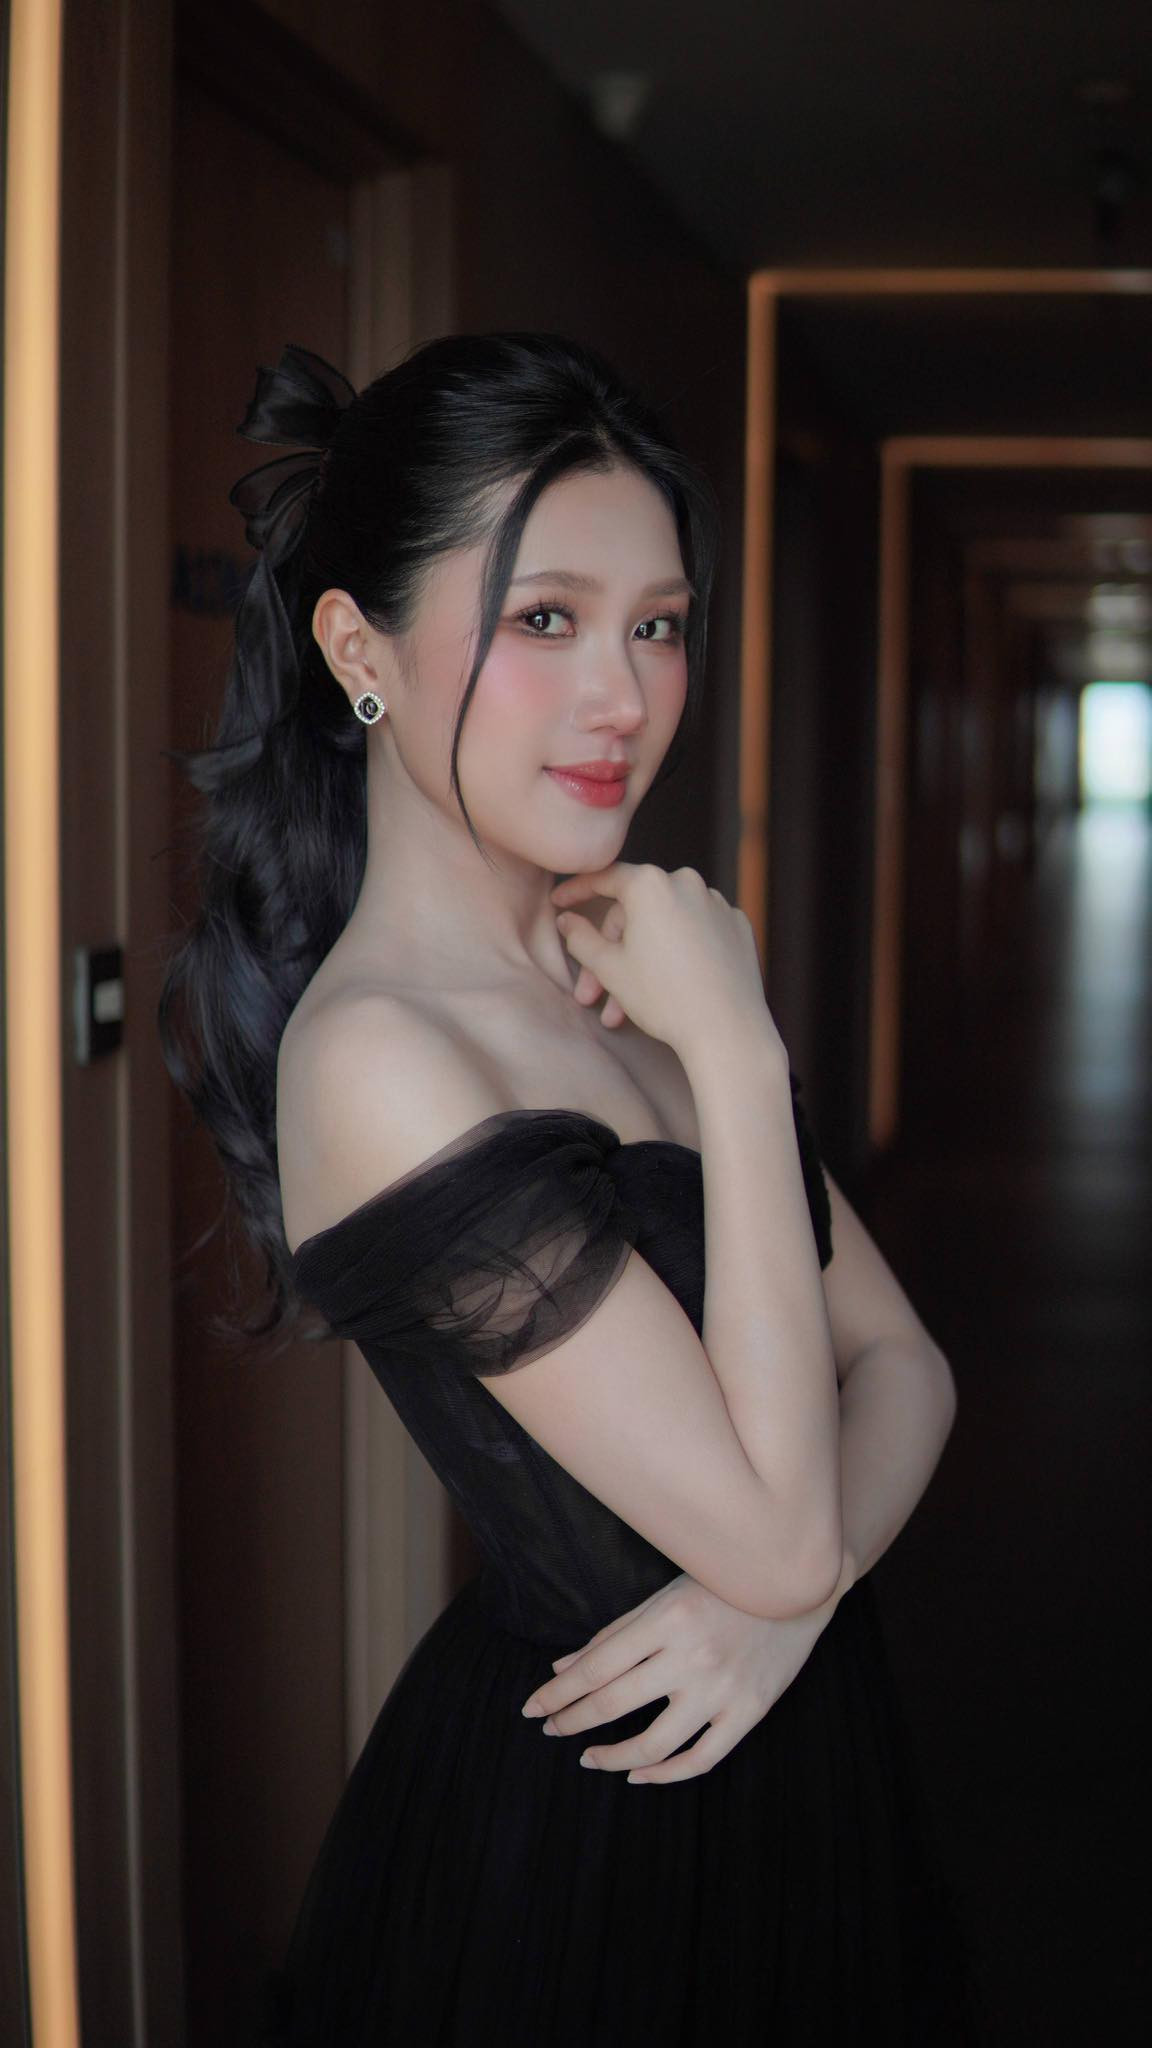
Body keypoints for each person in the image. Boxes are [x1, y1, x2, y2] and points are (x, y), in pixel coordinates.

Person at [159, 335, 988, 2042]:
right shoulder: (382, 1056)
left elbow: (907, 1364)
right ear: (357, 650)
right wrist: (736, 1052)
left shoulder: (627, 964)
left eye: (658, 626)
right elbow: (778, 1532)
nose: (624, 697)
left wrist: (783, 1620)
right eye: (545, 619)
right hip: (603, 1832)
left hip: (796, 1759)